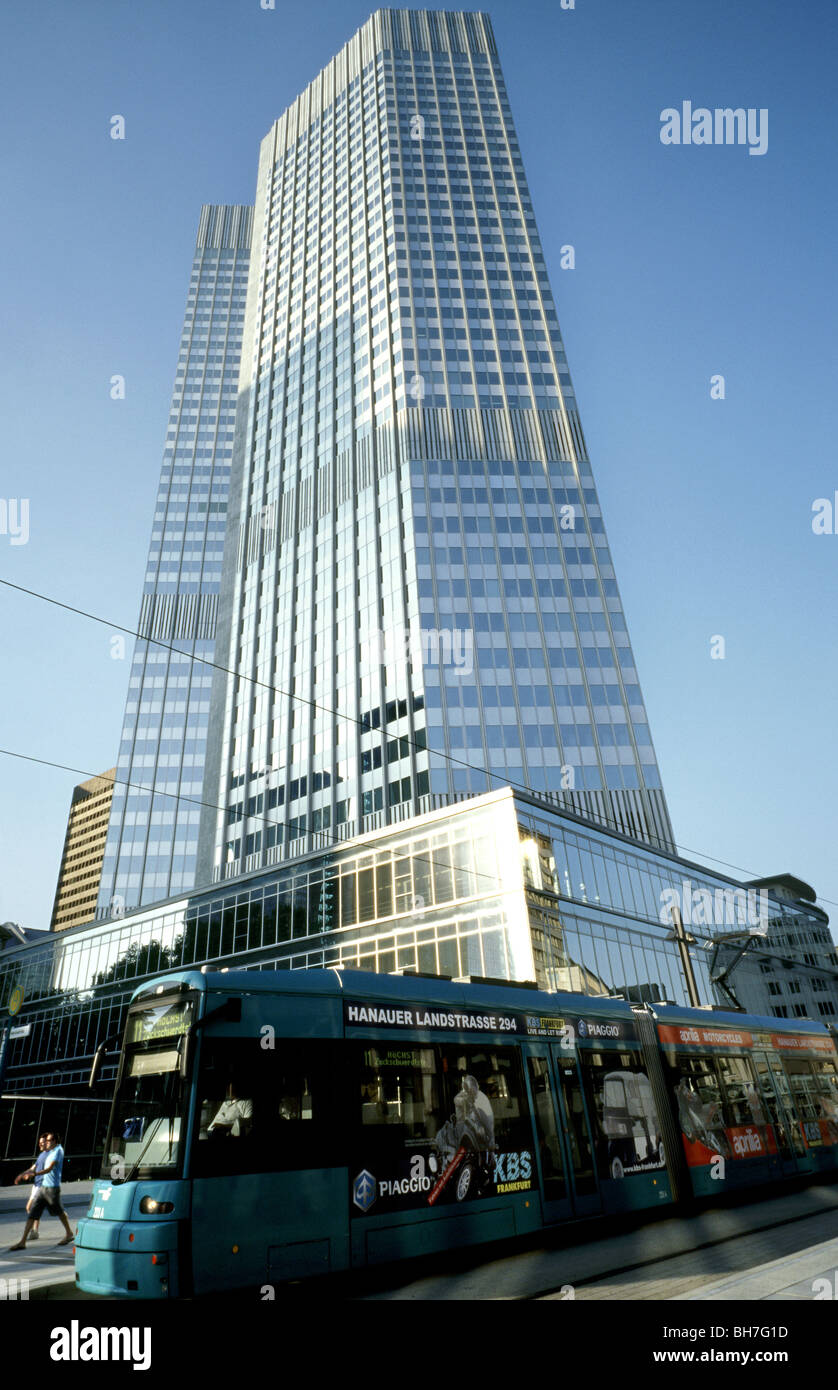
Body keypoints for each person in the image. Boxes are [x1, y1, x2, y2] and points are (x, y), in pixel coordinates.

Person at [8, 1131, 74, 1250]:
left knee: (60, 1212)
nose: (46, 1143)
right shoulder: (49, 1152)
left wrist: (34, 1174)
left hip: (52, 1189)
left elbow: (49, 1169)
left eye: (48, 1141)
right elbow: (37, 1166)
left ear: (54, 1141)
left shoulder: (58, 1151)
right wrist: (24, 1174)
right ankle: (22, 1242)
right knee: (33, 1212)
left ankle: (69, 1233)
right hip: (43, 1187)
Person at [13, 1133, 49, 1241]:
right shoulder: (41, 1155)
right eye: (39, 1143)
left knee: (29, 1207)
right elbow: (32, 1168)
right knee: (34, 1209)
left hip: (41, 1185)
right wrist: (22, 1175)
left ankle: (34, 1231)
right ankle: (35, 1231)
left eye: (43, 1143)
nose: (40, 1145)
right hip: (36, 1185)